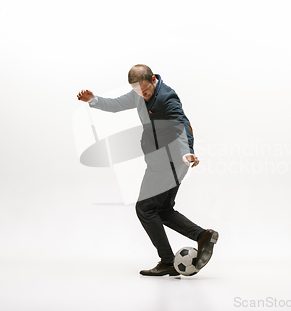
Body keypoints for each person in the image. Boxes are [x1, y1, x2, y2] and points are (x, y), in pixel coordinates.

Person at [76, 64, 218, 276]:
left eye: (146, 91)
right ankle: (202, 236)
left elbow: (180, 124)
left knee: (145, 208)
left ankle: (168, 261)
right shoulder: (137, 93)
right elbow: (116, 104)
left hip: (171, 160)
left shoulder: (167, 97)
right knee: (162, 210)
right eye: (137, 92)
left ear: (153, 79)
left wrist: (186, 152)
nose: (142, 96)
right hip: (162, 160)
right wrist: (93, 100)